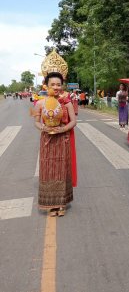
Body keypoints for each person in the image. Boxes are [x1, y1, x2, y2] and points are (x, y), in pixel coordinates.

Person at [33, 67, 77, 216]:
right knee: (48, 170)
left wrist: (63, 130)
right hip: (47, 140)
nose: (56, 87)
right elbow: (36, 122)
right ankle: (50, 205)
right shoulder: (40, 103)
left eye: (59, 84)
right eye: (53, 84)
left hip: (62, 140)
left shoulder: (67, 102)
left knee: (62, 171)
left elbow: (74, 121)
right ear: (46, 85)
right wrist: (43, 128)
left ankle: (62, 203)